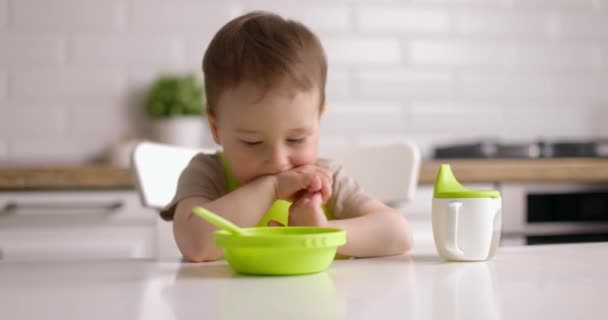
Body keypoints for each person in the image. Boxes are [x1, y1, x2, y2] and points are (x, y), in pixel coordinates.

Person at [161, 11, 413, 262]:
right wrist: (272, 188)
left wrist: (322, 233)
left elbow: (398, 234)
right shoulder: (208, 174)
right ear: (216, 129)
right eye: (253, 142)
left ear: (319, 119)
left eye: (296, 139)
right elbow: (196, 245)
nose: (278, 161)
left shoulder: (326, 178)